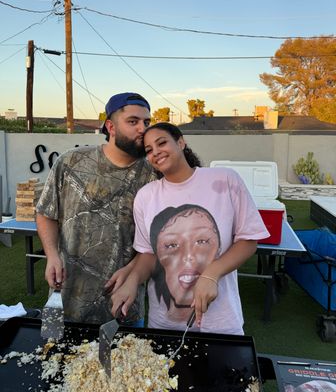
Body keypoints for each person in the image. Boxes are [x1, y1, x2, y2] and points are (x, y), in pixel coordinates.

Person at [111, 122, 270, 334]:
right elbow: (148, 255)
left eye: (162, 143)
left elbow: (249, 240)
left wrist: (211, 274)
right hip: (164, 325)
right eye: (149, 150)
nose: (156, 152)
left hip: (221, 324)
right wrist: (132, 281)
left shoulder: (225, 180)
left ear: (180, 142)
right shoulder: (146, 196)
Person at [36, 92, 156, 325]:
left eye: (146, 122)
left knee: (129, 360)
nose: (143, 128)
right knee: (55, 359)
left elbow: (156, 242)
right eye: (133, 121)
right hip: (67, 299)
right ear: (110, 126)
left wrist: (132, 271)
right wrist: (51, 255)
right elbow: (45, 213)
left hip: (123, 307)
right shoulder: (71, 162)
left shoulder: (154, 175)